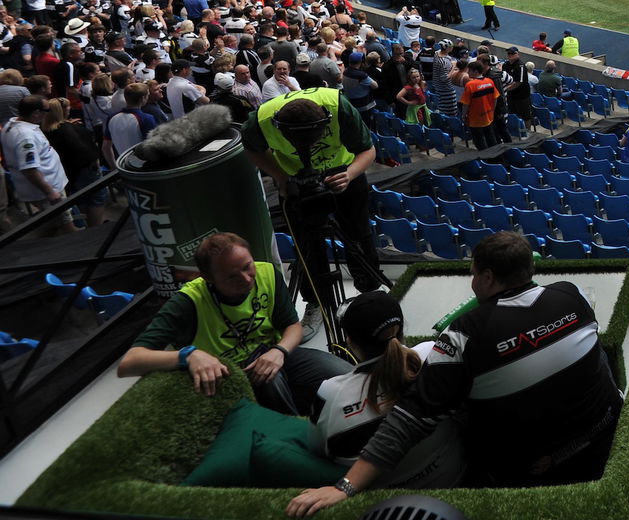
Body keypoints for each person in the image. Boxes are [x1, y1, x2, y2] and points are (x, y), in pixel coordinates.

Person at [286, 232, 622, 515]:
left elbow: (411, 417)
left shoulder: (464, 333)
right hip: (605, 440)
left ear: (488, 278)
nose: (472, 281)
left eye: (474, 273)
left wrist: (345, 487)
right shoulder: (570, 294)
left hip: (532, 472)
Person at [117, 232, 349, 415]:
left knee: (342, 373)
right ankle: (297, 436)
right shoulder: (187, 302)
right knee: (271, 382)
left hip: (271, 352)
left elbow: (292, 327)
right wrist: (188, 355)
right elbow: (129, 363)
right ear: (208, 278)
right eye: (231, 276)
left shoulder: (267, 273)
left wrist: (280, 351)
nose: (247, 279)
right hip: (229, 369)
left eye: (248, 266)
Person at [242, 88, 388, 325]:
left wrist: (349, 174)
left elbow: (368, 150)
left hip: (344, 173)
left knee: (359, 234)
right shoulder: (259, 122)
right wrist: (280, 177)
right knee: (306, 245)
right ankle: (317, 302)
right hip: (296, 183)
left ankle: (370, 292)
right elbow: (251, 148)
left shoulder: (339, 107)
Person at [307, 292, 465, 489]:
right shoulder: (435, 355)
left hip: (378, 501)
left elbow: (317, 449)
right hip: (451, 481)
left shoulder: (329, 393)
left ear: (350, 342)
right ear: (400, 329)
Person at [2, 94, 72, 230]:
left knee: (55, 223)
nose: (49, 113)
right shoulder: (25, 137)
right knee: (65, 225)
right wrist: (50, 192)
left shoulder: (11, 124)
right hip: (47, 189)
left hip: (45, 187)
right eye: (47, 110)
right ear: (36, 114)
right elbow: (29, 169)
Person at [461, 60, 499, 151]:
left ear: (476, 71)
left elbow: (466, 103)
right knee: (491, 138)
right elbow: (495, 98)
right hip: (488, 116)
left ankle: (486, 159)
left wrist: (463, 115)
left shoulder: (470, 85)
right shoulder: (490, 81)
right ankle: (496, 157)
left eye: (469, 70)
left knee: (479, 141)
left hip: (475, 119)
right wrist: (492, 111)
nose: (467, 72)